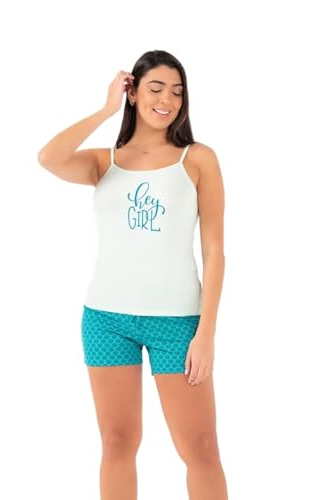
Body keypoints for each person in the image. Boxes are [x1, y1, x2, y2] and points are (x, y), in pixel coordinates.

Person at [38, 49, 228, 500]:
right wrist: (106, 109)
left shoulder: (197, 159)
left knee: (200, 449)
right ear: (134, 93)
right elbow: (49, 157)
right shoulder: (105, 162)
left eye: (177, 92)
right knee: (117, 442)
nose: (167, 100)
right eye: (156, 88)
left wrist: (206, 333)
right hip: (106, 319)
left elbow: (215, 251)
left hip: (177, 323)